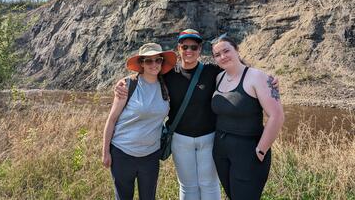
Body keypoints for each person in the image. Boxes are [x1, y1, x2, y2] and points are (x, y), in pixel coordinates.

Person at [115, 29, 279, 200]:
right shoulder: (169, 75)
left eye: (194, 47)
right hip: (180, 139)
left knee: (209, 184)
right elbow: (147, 74)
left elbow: (238, 72)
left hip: (209, 138)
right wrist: (124, 82)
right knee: (188, 186)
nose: (189, 51)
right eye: (185, 47)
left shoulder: (213, 72)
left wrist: (270, 80)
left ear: (200, 49)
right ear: (178, 48)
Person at [211, 35, 284, 200]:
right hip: (221, 152)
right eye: (217, 54)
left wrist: (260, 150)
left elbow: (277, 116)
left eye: (226, 51)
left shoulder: (258, 77)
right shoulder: (218, 77)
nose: (223, 56)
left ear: (237, 50)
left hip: (248, 153)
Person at [102, 42, 177, 200]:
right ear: (141, 63)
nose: (154, 64)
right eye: (149, 61)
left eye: (158, 60)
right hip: (123, 153)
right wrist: (105, 152)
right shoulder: (128, 85)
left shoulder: (167, 86)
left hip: (151, 156)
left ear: (162, 62)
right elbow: (112, 119)